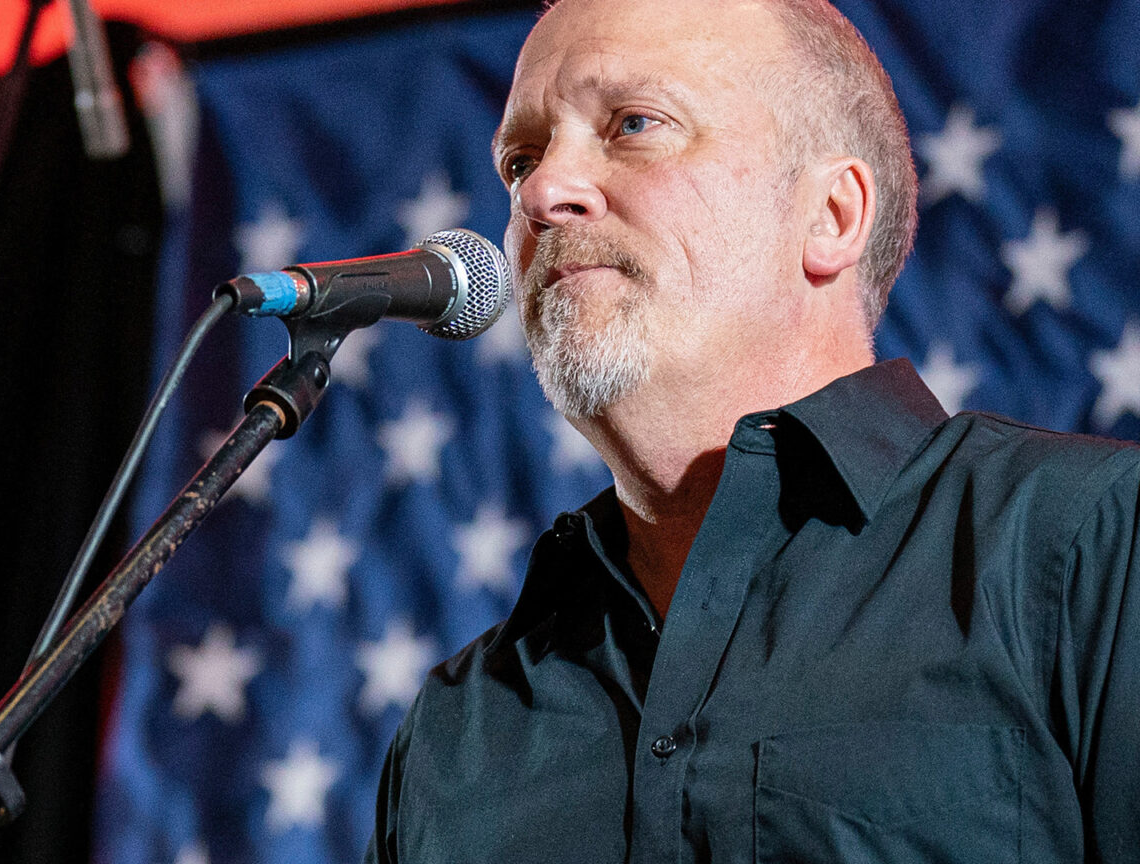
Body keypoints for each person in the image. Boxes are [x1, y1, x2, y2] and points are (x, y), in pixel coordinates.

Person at [365, 0, 1140, 861]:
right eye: (520, 159)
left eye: (633, 124)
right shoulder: (457, 728)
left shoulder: (1091, 544)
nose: (544, 191)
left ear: (832, 215)